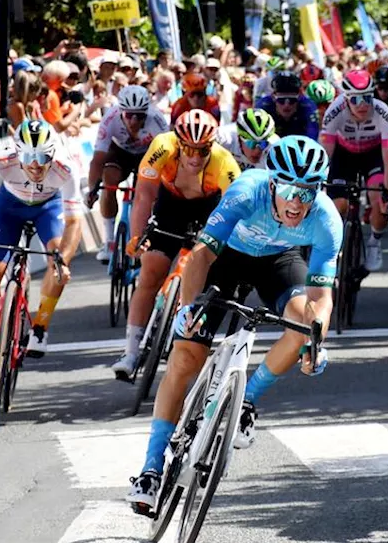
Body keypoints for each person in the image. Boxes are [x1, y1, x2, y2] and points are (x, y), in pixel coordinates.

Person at [126, 137, 341, 513]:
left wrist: (316, 339)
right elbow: (202, 255)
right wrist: (188, 308)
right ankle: (150, 468)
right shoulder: (246, 192)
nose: (296, 203)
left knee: (303, 324)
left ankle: (247, 402)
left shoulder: (326, 220)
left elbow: (321, 297)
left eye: (307, 193)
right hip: (226, 258)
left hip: (278, 261)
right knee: (186, 357)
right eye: (289, 190)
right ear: (273, 183)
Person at [110, 110, 241, 379]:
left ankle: (183, 329)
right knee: (151, 271)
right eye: (188, 149)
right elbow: (144, 193)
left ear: (212, 146)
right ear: (178, 143)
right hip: (170, 205)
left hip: (209, 209)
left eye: (202, 150)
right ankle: (131, 352)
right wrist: (137, 237)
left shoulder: (225, 163)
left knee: (198, 266)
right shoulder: (162, 146)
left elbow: (233, 212)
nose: (194, 157)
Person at [0, 121, 82, 371]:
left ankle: (40, 327)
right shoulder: (0, 162)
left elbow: (74, 222)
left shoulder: (66, 168)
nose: (36, 164)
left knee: (57, 261)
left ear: (53, 153)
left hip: (48, 209)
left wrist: (63, 259)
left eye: (43, 156)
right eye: (28, 156)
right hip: (9, 209)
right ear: (18, 153)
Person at [319, 69, 388, 273]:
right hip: (343, 155)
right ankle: (334, 246)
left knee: (379, 202)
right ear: (345, 99)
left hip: (373, 155)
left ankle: (374, 242)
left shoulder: (383, 113)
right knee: (338, 205)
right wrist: (318, 185)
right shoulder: (334, 111)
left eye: (367, 98)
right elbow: (325, 154)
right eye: (355, 100)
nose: (362, 104)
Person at [86, 86, 170, 263]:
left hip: (148, 154)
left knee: (148, 192)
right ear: (120, 112)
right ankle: (109, 241)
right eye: (128, 115)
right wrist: (93, 188)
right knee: (109, 181)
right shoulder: (110, 118)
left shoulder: (157, 120)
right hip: (119, 153)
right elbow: (97, 159)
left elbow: (169, 158)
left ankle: (144, 237)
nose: (133, 120)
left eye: (139, 116)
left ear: (146, 113)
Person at [256, 71, 319, 138]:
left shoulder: (308, 106)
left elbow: (312, 137)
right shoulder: (263, 106)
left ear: (299, 98)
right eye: (281, 100)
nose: (287, 105)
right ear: (273, 98)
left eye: (292, 100)